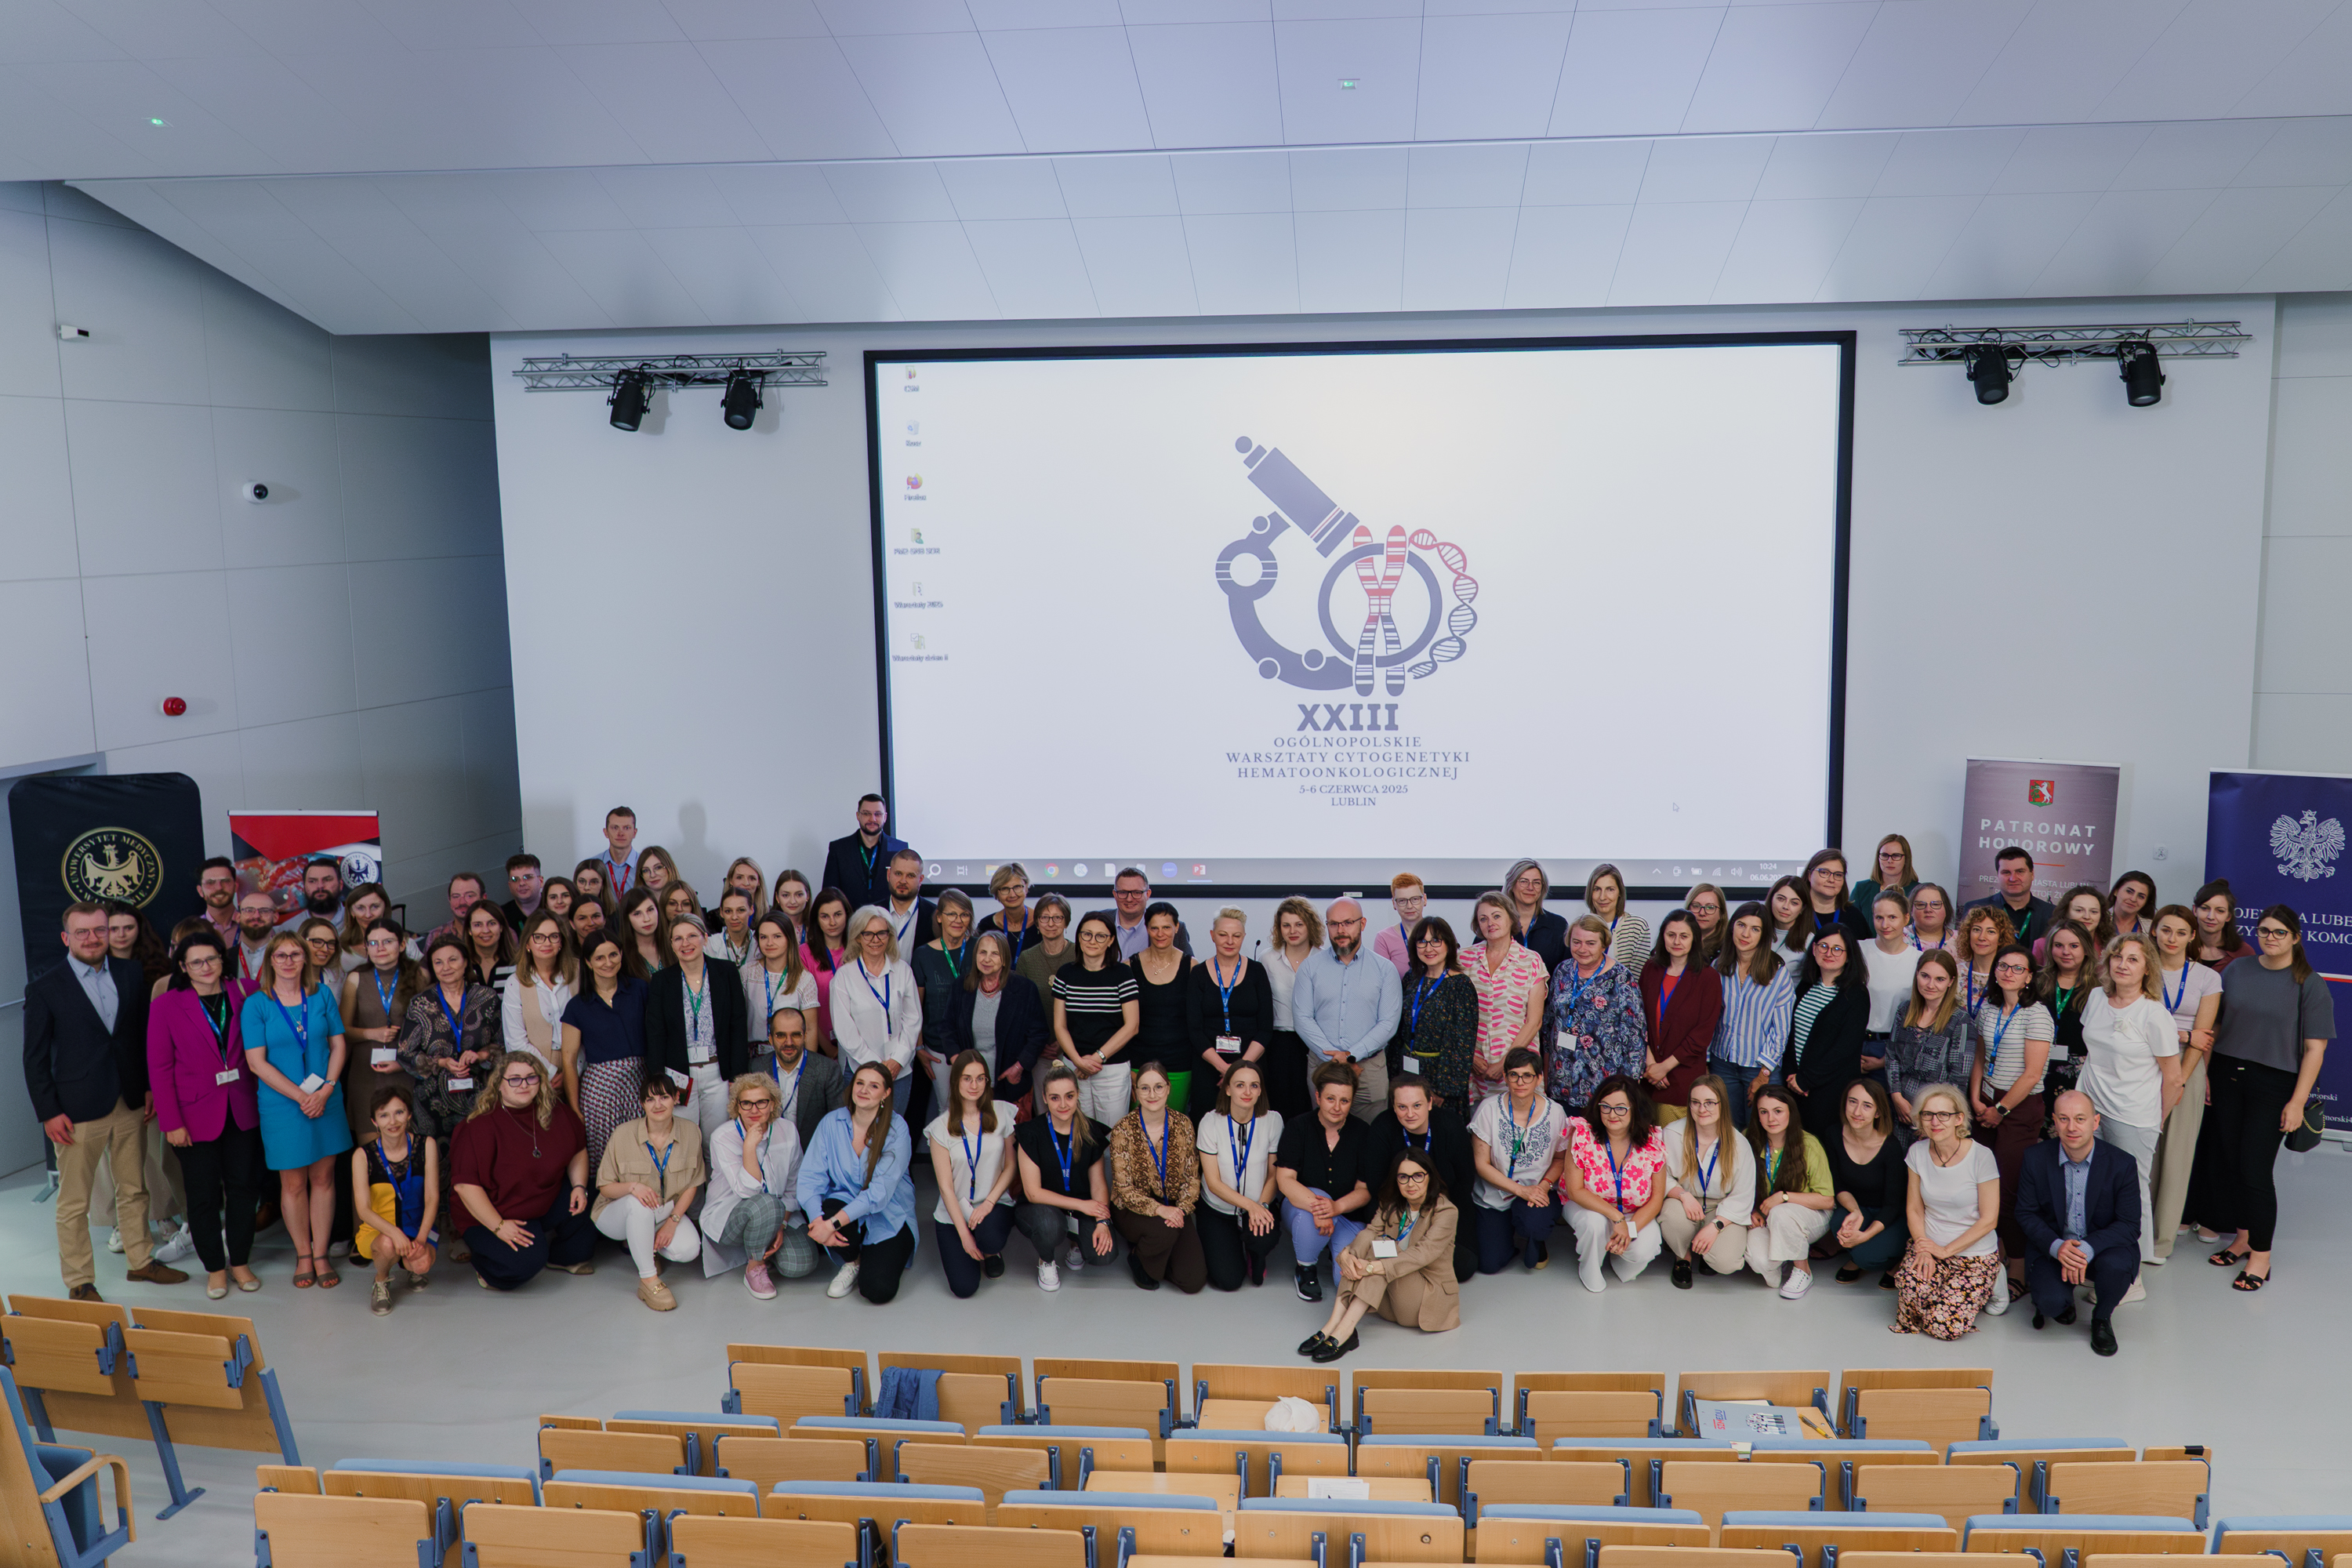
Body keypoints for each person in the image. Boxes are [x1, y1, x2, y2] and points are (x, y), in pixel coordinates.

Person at [27, 902, 180, 1300]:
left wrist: (147, 1087)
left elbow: (139, 1038)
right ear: (66, 938)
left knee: (135, 1188)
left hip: (129, 1100)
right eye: (83, 932)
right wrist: (49, 1112)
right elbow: (35, 1059)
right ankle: (80, 1281)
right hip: (76, 1111)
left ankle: (141, 1261)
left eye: (99, 931)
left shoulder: (130, 973)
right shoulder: (45, 987)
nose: (93, 939)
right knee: (74, 1202)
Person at [147, 930, 263, 1298]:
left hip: (243, 1108)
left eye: (212, 958)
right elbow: (160, 1068)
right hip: (193, 1117)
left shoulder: (245, 992)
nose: (205, 966)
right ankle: (214, 1267)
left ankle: (240, 1261)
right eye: (196, 961)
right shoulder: (167, 1005)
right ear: (183, 966)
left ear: (222, 959)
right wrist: (172, 1123)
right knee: (202, 1197)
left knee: (244, 1189)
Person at [244, 931, 354, 1289]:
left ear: (306, 959)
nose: (289, 961)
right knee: (292, 1185)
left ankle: (321, 1254)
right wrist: (301, 1096)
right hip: (282, 1105)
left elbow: (338, 1045)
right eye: (281, 955)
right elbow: (257, 1063)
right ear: (270, 961)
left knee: (323, 1178)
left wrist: (326, 1089)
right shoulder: (256, 1004)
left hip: (326, 1100)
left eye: (296, 954)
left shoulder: (321, 996)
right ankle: (303, 1254)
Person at [2079, 932, 2180, 1291]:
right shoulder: (2095, 997)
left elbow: (2174, 1079)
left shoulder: (2154, 1015)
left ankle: (2130, 1277)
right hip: (2090, 1108)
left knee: (2130, 1195)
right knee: (2090, 1185)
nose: (2123, 964)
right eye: (2117, 956)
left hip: (2133, 1116)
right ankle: (2096, 1260)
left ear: (2148, 968)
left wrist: (2156, 1122)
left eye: (2133, 959)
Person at [1299, 1149, 1459, 1362]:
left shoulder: (1446, 1211)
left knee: (1381, 1250)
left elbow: (1422, 1254)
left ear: (1430, 1177)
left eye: (1418, 1176)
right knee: (1369, 1244)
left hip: (1423, 1299)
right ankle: (1333, 1326)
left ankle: (1344, 1331)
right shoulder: (1392, 1203)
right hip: (1390, 1301)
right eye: (1403, 1177)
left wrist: (1371, 1267)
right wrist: (1348, 1256)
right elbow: (1370, 1232)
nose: (1411, 1184)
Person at [451, 1051, 593, 1289]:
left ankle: (561, 1257)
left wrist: (579, 1186)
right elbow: (465, 1187)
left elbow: (578, 1149)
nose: (524, 1085)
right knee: (525, 1263)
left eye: (531, 1078)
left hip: (539, 1200)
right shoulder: (479, 1125)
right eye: (515, 1079)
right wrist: (499, 1227)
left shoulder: (555, 1111)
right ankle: (485, 1264)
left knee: (592, 1200)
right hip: (494, 1211)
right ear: (499, 1084)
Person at [2016, 1091, 2140, 1356]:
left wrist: (2086, 1249)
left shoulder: (2122, 1164)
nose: (2072, 1127)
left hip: (2102, 1246)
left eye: (2080, 1119)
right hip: (2055, 1245)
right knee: (2050, 1303)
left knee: (2117, 1266)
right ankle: (2063, 1300)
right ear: (2054, 1122)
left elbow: (2130, 1225)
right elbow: (2026, 1213)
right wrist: (2057, 1247)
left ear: (2095, 1122)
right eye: (2064, 1119)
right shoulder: (2035, 1158)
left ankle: (2102, 1317)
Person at [799, 1062, 919, 1302]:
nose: (864, 1090)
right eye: (860, 1083)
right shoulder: (831, 1123)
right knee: (819, 1206)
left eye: (874, 1086)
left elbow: (879, 1194)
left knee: (878, 1290)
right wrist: (817, 1222)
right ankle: (852, 1261)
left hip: (889, 1213)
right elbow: (810, 1179)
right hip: (843, 1204)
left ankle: (868, 1257)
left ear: (886, 1093)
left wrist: (830, 1226)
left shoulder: (897, 1129)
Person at [1892, 1083, 2002, 1338]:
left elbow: (1989, 1220)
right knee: (1911, 1306)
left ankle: (1996, 1279)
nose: (1935, 1121)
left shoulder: (1981, 1157)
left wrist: (1945, 1251)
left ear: (1959, 1119)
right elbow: (1914, 1209)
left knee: (1942, 1327)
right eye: (1927, 1114)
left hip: (1973, 1254)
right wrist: (1924, 1247)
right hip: (1929, 1247)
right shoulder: (1917, 1152)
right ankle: (1948, 1290)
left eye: (1944, 1115)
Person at [2147, 906, 2221, 1263]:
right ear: (2155, 932)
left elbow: (2203, 1036)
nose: (2171, 939)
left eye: (2180, 932)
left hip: (2187, 1068)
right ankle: (2135, 1233)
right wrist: (2180, 1032)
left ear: (2192, 936)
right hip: (2142, 1063)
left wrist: (2179, 1079)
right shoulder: (2141, 967)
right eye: (2165, 930)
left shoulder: (2207, 978)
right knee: (2141, 1152)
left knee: (2177, 1155)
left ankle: (2160, 1243)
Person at [704, 1072, 813, 1298]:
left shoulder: (787, 1130)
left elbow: (794, 1184)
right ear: (738, 1106)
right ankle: (755, 1266)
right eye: (747, 1103)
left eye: (762, 1102)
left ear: (773, 1104)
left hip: (777, 1214)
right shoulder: (722, 1137)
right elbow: (747, 1191)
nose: (754, 1110)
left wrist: (781, 1225)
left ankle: (763, 1245)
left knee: (800, 1265)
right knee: (766, 1203)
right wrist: (749, 1148)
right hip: (731, 1218)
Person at [1294, 899, 1403, 1122]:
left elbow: (1388, 1023)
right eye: (1334, 924)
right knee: (1324, 1139)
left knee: (1371, 1140)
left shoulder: (1385, 969)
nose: (1341, 930)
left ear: (1362, 924)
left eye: (1348, 923)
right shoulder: (1309, 967)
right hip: (1323, 1067)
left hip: (1368, 1070)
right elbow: (1302, 1018)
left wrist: (1352, 1055)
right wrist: (1336, 1057)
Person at [1277, 1062, 1377, 1299]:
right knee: (1309, 1216)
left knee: (1344, 1279)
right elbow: (1285, 1179)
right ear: (1318, 1096)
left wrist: (1336, 1208)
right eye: (1331, 1099)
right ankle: (1306, 1267)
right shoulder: (1298, 1127)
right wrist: (1321, 1209)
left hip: (1346, 1214)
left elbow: (1364, 1190)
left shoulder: (1363, 1133)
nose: (1337, 1107)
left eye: (1345, 1101)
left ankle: (1333, 1252)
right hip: (1302, 1209)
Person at [927, 1051, 1022, 1298]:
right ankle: (974, 1240)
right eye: (967, 1079)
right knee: (964, 1288)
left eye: (981, 1078)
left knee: (989, 1239)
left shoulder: (1002, 1113)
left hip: (994, 1203)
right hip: (955, 1212)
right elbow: (946, 1188)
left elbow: (1011, 1166)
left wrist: (989, 1203)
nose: (974, 1085)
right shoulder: (940, 1127)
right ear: (956, 1081)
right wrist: (964, 1236)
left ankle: (990, 1250)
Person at [397, 931, 500, 1158]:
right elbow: (405, 1054)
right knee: (440, 1166)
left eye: (453, 959)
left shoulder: (487, 998)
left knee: (484, 1158)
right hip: (433, 1103)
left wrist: (482, 1055)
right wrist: (440, 1062)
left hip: (481, 1097)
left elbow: (503, 1047)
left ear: (466, 962)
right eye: (438, 962)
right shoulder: (421, 1003)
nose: (446, 967)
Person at [1107, 1062, 1207, 1293]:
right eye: (1144, 1088)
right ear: (1136, 1091)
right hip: (1130, 1210)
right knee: (1166, 1231)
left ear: (1169, 1088)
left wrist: (1180, 1210)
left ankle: (1159, 1250)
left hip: (1174, 1207)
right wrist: (1160, 1211)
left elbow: (1192, 1178)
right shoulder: (1123, 1129)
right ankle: (1138, 1256)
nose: (1152, 1094)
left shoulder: (1183, 1124)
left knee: (1193, 1282)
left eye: (1158, 1087)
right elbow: (1124, 1189)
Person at [1560, 1075, 1666, 1292]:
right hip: (1589, 1207)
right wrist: (1617, 1218)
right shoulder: (1583, 1134)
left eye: (1620, 1108)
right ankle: (1589, 1266)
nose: (1612, 1114)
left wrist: (1630, 1228)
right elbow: (1575, 1190)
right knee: (1595, 1224)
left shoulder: (1652, 1141)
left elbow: (1657, 1199)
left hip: (1632, 1213)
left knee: (1647, 1246)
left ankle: (1618, 1255)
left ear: (1634, 1108)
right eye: (1605, 1107)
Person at [1015, 1060, 1115, 1290]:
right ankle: (1046, 1259)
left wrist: (1102, 1220)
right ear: (1044, 1096)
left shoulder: (1091, 1131)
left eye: (1069, 1096)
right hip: (1040, 1206)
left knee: (1104, 1255)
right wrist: (1082, 1206)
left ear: (1078, 1094)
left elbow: (1098, 1184)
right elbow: (1032, 1192)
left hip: (1079, 1207)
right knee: (1051, 1225)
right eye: (1054, 1098)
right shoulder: (1031, 1133)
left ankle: (1076, 1244)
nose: (1062, 1104)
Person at [558, 932, 650, 1181]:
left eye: (613, 954)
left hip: (640, 1084)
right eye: (599, 957)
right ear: (588, 962)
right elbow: (568, 1060)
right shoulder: (577, 1006)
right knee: (606, 1157)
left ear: (621, 954)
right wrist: (575, 1108)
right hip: (601, 1091)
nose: (608, 962)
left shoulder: (641, 990)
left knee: (644, 1150)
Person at [647, 914, 749, 1138]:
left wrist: (738, 1077)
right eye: (678, 938)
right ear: (671, 945)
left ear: (705, 938)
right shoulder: (662, 981)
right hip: (678, 1075)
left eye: (692, 936)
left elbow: (738, 1026)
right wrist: (659, 1081)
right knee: (684, 1140)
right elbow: (656, 1033)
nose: (686, 943)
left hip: (717, 1073)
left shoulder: (727, 972)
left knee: (717, 1139)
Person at [1466, 1047, 1566, 1273]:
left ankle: (1535, 1239)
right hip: (1496, 1192)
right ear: (1505, 1077)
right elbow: (1481, 1164)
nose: (1520, 1082)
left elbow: (1560, 1158)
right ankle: (1507, 1235)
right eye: (1514, 1075)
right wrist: (1521, 1191)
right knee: (1489, 1264)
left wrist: (1542, 1187)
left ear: (1539, 1078)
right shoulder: (1488, 1109)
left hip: (1538, 1190)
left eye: (1528, 1076)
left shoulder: (1556, 1113)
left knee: (1534, 1224)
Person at [1195, 1061, 1283, 1290]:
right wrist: (1250, 1206)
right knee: (1229, 1280)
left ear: (1260, 1090)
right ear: (1227, 1088)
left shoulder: (1273, 1121)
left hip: (1259, 1204)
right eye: (1240, 1085)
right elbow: (1213, 1183)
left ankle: (1256, 1254)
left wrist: (1261, 1206)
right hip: (1218, 1209)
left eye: (1254, 1086)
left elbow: (1273, 1175)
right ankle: (1233, 1242)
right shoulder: (1210, 1122)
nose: (1247, 1092)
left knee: (1264, 1237)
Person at [1544, 916, 1646, 1116]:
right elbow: (1549, 1024)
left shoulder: (1621, 978)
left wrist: (1626, 1090)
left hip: (1603, 1089)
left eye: (1591, 943)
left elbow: (1636, 1038)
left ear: (1604, 944)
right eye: (1577, 942)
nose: (1582, 949)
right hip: (1561, 1083)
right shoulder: (1562, 971)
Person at [1660, 1074, 1755, 1287]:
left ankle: (1708, 1252)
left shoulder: (1740, 1144)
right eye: (1696, 1102)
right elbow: (1659, 1176)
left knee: (1726, 1261)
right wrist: (1683, 1195)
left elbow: (1743, 1195)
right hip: (1684, 1203)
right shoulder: (1672, 1134)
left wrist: (1717, 1225)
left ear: (1722, 1104)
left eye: (1710, 1103)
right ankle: (1682, 1257)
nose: (1702, 1109)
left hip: (1722, 1208)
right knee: (1671, 1217)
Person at [339, 919, 425, 1151]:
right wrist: (371, 1033)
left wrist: (405, 1062)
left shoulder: (419, 976)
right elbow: (342, 1031)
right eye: (373, 943)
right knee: (372, 1156)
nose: (380, 948)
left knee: (410, 1153)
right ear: (366, 947)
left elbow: (432, 1030)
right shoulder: (355, 978)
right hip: (366, 1076)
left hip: (406, 1071)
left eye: (388, 941)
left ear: (403, 944)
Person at [350, 1087, 437, 1314]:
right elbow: (363, 1209)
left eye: (399, 1113)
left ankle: (411, 1265)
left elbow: (432, 1197)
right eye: (384, 1115)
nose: (392, 1121)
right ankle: (381, 1280)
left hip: (416, 1226)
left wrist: (420, 1238)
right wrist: (395, 1233)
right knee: (388, 1244)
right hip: (379, 1229)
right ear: (374, 1121)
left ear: (409, 1115)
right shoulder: (362, 1156)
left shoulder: (426, 1145)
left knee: (421, 1263)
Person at [832, 906, 924, 1120]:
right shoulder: (845, 976)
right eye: (868, 933)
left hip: (899, 1072)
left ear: (889, 936)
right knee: (861, 1133)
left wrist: (898, 1060)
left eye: (882, 933)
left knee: (893, 1132)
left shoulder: (903, 970)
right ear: (858, 937)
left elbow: (913, 1020)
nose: (876, 939)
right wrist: (875, 1067)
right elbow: (845, 1031)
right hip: (860, 1072)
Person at [1744, 1083, 1835, 1298]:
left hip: (1810, 1215)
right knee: (1760, 1262)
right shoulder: (1748, 1138)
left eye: (1778, 1111)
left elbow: (1827, 1200)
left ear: (1790, 1112)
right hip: (1766, 1216)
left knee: (1781, 1211)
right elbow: (1738, 1184)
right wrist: (1750, 1210)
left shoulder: (1808, 1144)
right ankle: (1783, 1257)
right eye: (1763, 1112)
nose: (1771, 1119)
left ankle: (1803, 1270)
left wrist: (1784, 1197)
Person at [1709, 904, 1792, 1130]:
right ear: (1731, 927)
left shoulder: (1778, 972)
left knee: (1761, 1131)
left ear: (1764, 935)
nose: (1746, 934)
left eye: (1755, 929)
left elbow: (1781, 1030)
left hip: (1760, 1067)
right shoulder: (1718, 966)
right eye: (1741, 926)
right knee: (1730, 1132)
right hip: (1722, 1064)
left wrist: (1764, 1073)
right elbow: (1709, 1018)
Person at [1462, 894, 1547, 1109]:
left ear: (1511, 918)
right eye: (1483, 919)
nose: (1490, 923)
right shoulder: (1463, 959)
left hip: (1519, 1068)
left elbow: (1534, 1022)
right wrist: (1470, 1056)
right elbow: (1456, 1018)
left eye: (1497, 916)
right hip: (1476, 1069)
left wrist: (1505, 1063)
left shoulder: (1531, 960)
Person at [1771, 929, 1869, 1111]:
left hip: (1829, 1090)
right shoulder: (1806, 985)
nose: (1829, 953)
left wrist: (1806, 1080)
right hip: (1794, 1084)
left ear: (1849, 956)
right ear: (1814, 949)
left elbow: (1844, 1049)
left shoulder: (1857, 995)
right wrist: (1792, 1075)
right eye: (1823, 946)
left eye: (1837, 949)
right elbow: (1790, 1034)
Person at [1639, 911, 1722, 1121]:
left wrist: (1663, 1068)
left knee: (1674, 1148)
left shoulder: (1707, 977)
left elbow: (1702, 1035)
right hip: (1646, 1076)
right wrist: (1652, 1067)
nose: (1677, 942)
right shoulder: (1650, 969)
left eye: (1684, 936)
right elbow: (1638, 1020)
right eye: (1671, 935)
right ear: (1662, 937)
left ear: (1694, 939)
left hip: (1681, 1078)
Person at [1189, 909, 1272, 1115]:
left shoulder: (1257, 971)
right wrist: (1224, 1069)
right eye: (1223, 935)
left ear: (1243, 937)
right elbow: (1194, 1029)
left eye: (1236, 936)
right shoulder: (1198, 973)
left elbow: (1265, 1028)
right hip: (1209, 1067)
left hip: (1250, 1066)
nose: (1229, 941)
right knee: (1207, 1124)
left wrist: (1240, 1070)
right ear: (1212, 935)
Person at [1826, 1077, 1908, 1285]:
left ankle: (1896, 1260)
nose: (1857, 1112)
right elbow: (1838, 1185)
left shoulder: (1890, 1147)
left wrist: (1866, 1235)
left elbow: (1892, 1204)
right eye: (1852, 1102)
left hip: (1890, 1216)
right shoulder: (1834, 1134)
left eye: (1867, 1105)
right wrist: (1856, 1212)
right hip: (1859, 1206)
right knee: (1838, 1224)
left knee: (1867, 1255)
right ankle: (1859, 1255)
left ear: (1878, 1112)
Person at [951, 930, 1048, 1105]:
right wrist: (958, 1062)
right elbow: (947, 1027)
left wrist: (1019, 1067)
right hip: (970, 1083)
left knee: (1008, 1132)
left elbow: (1039, 1034)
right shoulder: (961, 986)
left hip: (1010, 1082)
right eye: (983, 952)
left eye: (995, 954)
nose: (987, 959)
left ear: (1004, 959)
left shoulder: (1024, 989)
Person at [1886, 951, 1970, 1140]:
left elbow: (1958, 1082)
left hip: (1936, 1118)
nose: (1930, 985)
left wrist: (1933, 1118)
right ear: (1917, 975)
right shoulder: (1904, 1010)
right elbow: (1892, 1056)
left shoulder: (1961, 1021)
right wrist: (1897, 1097)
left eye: (1939, 979)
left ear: (1950, 982)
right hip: (1900, 1109)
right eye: (1925, 976)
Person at [1394, 917, 1477, 1106]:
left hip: (1441, 1081)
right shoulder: (1411, 978)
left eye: (1436, 941)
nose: (1428, 948)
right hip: (1408, 1072)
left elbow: (1461, 1044)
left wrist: (1442, 1091)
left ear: (1449, 944)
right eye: (1422, 941)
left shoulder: (1461, 985)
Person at [1129, 902, 1198, 1109]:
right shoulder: (1129, 967)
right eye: (1154, 928)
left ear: (1177, 927)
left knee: (1174, 1130)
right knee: (1138, 1133)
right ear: (1147, 929)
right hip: (1138, 1064)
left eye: (1167, 927)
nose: (1161, 934)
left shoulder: (1192, 966)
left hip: (1180, 1064)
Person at [501, 911, 576, 1090]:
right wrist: (550, 1072)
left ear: (561, 942)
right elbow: (516, 1041)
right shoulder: (515, 982)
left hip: (580, 1064)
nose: (547, 943)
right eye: (539, 937)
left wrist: (573, 1069)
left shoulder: (579, 972)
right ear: (527, 943)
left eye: (553, 937)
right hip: (535, 1071)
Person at [1263, 897, 1323, 1118]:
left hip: (1317, 1042)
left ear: (1310, 925)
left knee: (1313, 1105)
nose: (1292, 931)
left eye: (1299, 924)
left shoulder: (1325, 958)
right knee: (1281, 1105)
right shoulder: (1268, 959)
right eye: (1286, 925)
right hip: (1281, 1043)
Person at [761, 1008, 843, 1155]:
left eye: (796, 1035)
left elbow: (838, 1123)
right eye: (781, 1036)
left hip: (814, 1154)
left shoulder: (828, 1070)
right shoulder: (757, 1069)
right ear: (771, 1039)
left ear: (805, 1036)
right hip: (770, 1154)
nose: (789, 1042)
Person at [2037, 920, 2097, 1115]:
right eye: (2058, 945)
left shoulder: (2099, 990)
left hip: (2078, 1076)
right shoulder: (2036, 982)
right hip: (2037, 1067)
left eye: (2074, 946)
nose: (2065, 952)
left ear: (2086, 949)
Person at [1862, 891, 1921, 1085]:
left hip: (1893, 1049)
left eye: (1892, 917)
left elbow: (1921, 1018)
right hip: (1854, 1043)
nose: (1885, 925)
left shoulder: (1918, 961)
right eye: (1879, 917)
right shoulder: (1859, 950)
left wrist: (1884, 1061)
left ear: (1906, 918)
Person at [745, 913, 821, 1058]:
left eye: (777, 936)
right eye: (763, 937)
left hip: (791, 1057)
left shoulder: (804, 978)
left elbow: (810, 1029)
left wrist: (809, 1067)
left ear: (789, 939)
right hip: (752, 1058)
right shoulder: (747, 973)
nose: (769, 943)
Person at [822, 795, 906, 913]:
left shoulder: (900, 849)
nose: (873, 819)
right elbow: (829, 893)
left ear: (885, 817)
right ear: (858, 816)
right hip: (849, 923)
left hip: (888, 922)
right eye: (866, 814)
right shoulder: (839, 849)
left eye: (878, 814)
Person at [1965, 846, 2057, 950]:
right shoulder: (1975, 909)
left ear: (2032, 874)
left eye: (2020, 872)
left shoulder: (2052, 914)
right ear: (1998, 875)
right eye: (2006, 872)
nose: (2013, 878)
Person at [1014, 895, 1079, 1025]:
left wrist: (1062, 1039)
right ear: (1037, 923)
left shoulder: (1080, 954)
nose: (1050, 924)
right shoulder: (1027, 958)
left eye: (1057, 918)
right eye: (1044, 918)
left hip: (1075, 1037)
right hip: (1037, 1037)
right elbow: (1021, 1006)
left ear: (1066, 922)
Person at [804, 890, 854, 1052]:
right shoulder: (804, 953)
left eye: (838, 914)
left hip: (856, 1041)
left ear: (847, 915)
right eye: (825, 916)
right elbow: (803, 1007)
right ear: (816, 920)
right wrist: (828, 1048)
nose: (832, 922)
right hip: (818, 1042)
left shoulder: (859, 951)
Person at [1110, 867, 1193, 960]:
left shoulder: (1174, 928)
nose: (1129, 899)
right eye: (1123, 892)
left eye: (1137, 893)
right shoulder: (1096, 923)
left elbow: (1189, 968)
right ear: (1115, 894)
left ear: (1148, 894)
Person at [1503, 859, 1568, 974]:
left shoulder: (1558, 925)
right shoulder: (1497, 924)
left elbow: (1567, 971)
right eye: (1524, 881)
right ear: (1512, 885)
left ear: (1543, 888)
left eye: (1536, 882)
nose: (1530, 887)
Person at [1584, 864, 1652, 973]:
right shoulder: (1581, 927)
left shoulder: (1637, 926)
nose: (1602, 897)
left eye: (1610, 889)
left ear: (1620, 892)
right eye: (1597, 889)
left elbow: (1638, 978)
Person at [1955, 905, 2010, 1027]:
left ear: (2001, 939)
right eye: (1976, 930)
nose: (1981, 937)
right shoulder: (1955, 973)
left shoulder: (2008, 976)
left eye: (1990, 931)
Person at [1800, 850, 1871, 944]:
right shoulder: (1796, 913)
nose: (1831, 880)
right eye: (1824, 873)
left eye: (1838, 875)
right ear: (1809, 875)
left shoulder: (1854, 916)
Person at [975, 863, 1036, 964]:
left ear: (1026, 887)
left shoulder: (1041, 922)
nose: (1012, 894)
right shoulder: (986, 926)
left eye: (1017, 887)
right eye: (1004, 889)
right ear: (996, 892)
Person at [1849, 834, 1919, 920]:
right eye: (1885, 855)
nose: (1890, 861)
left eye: (1896, 856)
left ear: (1906, 859)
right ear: (1878, 858)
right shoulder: (1861, 890)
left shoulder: (1918, 892)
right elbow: (1849, 926)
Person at [1372, 874, 1428, 975]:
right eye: (1402, 901)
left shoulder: (1441, 933)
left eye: (1415, 899)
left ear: (1424, 899)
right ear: (1394, 903)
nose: (1409, 906)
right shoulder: (1384, 938)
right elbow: (1381, 979)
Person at [883, 850, 937, 953]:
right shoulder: (872, 912)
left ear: (920, 880)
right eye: (898, 874)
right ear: (889, 874)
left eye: (911, 876)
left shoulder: (935, 915)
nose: (903, 881)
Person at [2191, 880, 2249, 970]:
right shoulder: (2181, 946)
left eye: (2220, 911)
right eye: (2205, 908)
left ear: (2228, 916)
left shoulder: (2244, 953)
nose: (2211, 917)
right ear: (2195, 910)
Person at [617, 887, 669, 979]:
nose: (647, 919)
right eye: (637, 914)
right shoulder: (621, 956)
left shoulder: (673, 945)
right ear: (627, 919)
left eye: (650, 910)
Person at [232, 890, 279, 985]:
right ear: (238, 917)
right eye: (249, 910)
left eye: (264, 911)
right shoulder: (225, 959)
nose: (256, 916)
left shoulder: (287, 958)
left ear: (275, 917)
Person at [1764, 876, 1813, 967]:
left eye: (1794, 903)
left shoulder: (1809, 941)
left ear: (1803, 908)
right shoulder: (1756, 931)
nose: (1786, 906)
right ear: (1771, 900)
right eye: (1781, 899)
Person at [428, 871, 488, 945]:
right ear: (449, 900)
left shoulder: (494, 933)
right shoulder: (436, 936)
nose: (462, 902)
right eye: (456, 896)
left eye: (470, 896)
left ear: (483, 898)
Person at [594, 806, 641, 898]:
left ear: (635, 833)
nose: (621, 833)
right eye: (615, 828)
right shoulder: (593, 865)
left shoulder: (645, 864)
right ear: (606, 832)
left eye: (627, 828)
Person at [711, 858, 767, 929]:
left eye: (752, 878)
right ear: (731, 880)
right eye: (739, 877)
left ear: (759, 882)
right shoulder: (714, 918)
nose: (746, 883)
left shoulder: (770, 914)